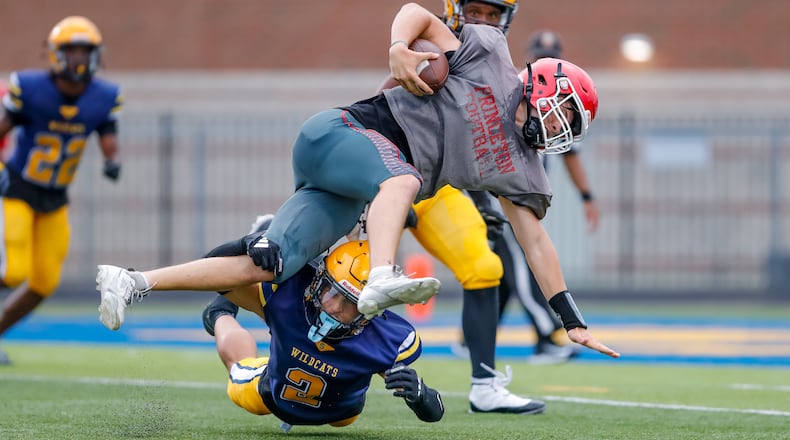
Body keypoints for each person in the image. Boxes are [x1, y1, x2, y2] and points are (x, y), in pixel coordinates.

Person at [96, 1, 619, 379]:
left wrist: (571, 322)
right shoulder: (488, 54)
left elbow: (536, 245)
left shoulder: (524, 170)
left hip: (355, 184)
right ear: (545, 85)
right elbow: (419, 12)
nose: (564, 125)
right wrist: (398, 47)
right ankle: (384, 276)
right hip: (342, 132)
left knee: (268, 263)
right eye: (567, 109)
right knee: (407, 179)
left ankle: (131, 281)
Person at [376, 0, 546, 414]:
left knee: (485, 267)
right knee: (355, 275)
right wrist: (402, 51)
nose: (484, 22)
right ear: (455, 10)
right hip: (392, 181)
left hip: (439, 191)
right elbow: (381, 108)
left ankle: (484, 385)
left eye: (493, 16)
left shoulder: (494, 67)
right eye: (477, 12)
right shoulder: (430, 51)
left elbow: (484, 150)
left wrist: (482, 195)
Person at [199, 238, 443, 431]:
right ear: (318, 280)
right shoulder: (288, 297)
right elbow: (210, 269)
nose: (335, 307)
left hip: (344, 413)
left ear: (371, 311)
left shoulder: (380, 340)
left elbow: (435, 412)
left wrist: (419, 395)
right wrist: (248, 243)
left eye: (351, 304)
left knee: (341, 420)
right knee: (238, 367)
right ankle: (220, 314)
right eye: (332, 293)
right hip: (272, 394)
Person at [464, 29, 602, 365]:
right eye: (541, 52)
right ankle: (548, 335)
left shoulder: (558, 111)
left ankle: (473, 339)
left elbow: (571, 154)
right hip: (490, 193)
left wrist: (586, 196)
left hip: (514, 193)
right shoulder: (501, 100)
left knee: (505, 269)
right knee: (517, 262)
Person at [0, 16, 123, 365]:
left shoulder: (103, 96)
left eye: (86, 51)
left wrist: (112, 160)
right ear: (57, 55)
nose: (80, 59)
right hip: (18, 190)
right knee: (13, 271)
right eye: (72, 51)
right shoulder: (32, 88)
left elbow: (108, 136)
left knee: (43, 283)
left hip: (54, 200)